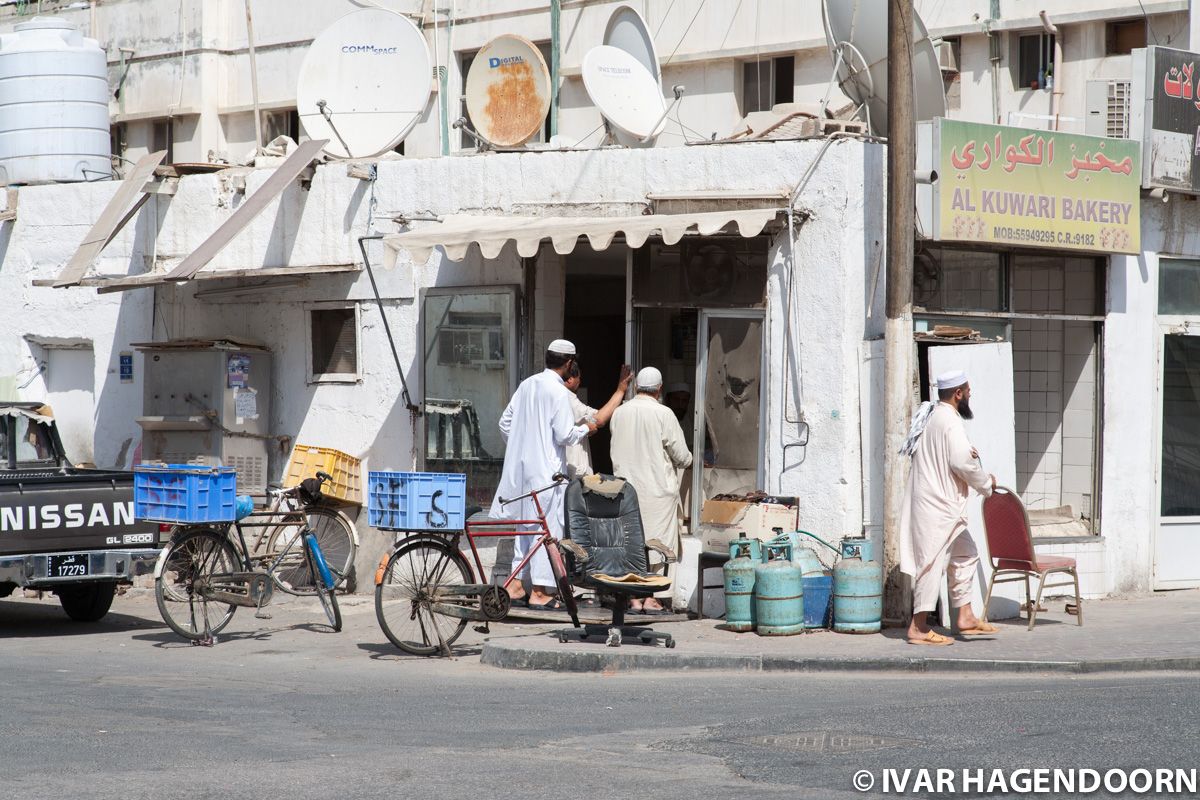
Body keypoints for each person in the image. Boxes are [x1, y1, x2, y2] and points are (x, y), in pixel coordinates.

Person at [490, 339, 596, 610]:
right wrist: (587, 428)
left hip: (522, 472)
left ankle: (514, 587)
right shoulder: (558, 392)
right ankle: (538, 591)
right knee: (544, 531)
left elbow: (505, 423)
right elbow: (564, 434)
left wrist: (522, 446)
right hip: (547, 475)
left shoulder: (528, 384)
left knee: (525, 528)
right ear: (569, 363)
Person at [899, 369, 999, 646]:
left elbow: (953, 455)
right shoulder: (949, 421)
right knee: (930, 565)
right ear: (958, 393)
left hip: (941, 506)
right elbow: (960, 463)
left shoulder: (936, 417)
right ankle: (918, 628)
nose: (970, 395)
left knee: (966, 553)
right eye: (968, 391)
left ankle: (965, 615)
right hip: (937, 507)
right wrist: (986, 484)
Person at [609, 366, 693, 614]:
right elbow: (682, 456)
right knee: (660, 547)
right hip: (658, 492)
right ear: (659, 389)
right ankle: (653, 599)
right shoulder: (664, 414)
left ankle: (633, 597)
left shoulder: (619, 413)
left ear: (636, 387)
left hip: (626, 492)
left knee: (631, 544)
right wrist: (690, 460)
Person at [563, 362, 633, 479]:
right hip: (572, 470)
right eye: (579, 378)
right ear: (570, 379)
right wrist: (620, 390)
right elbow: (599, 419)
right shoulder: (565, 396)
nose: (580, 382)